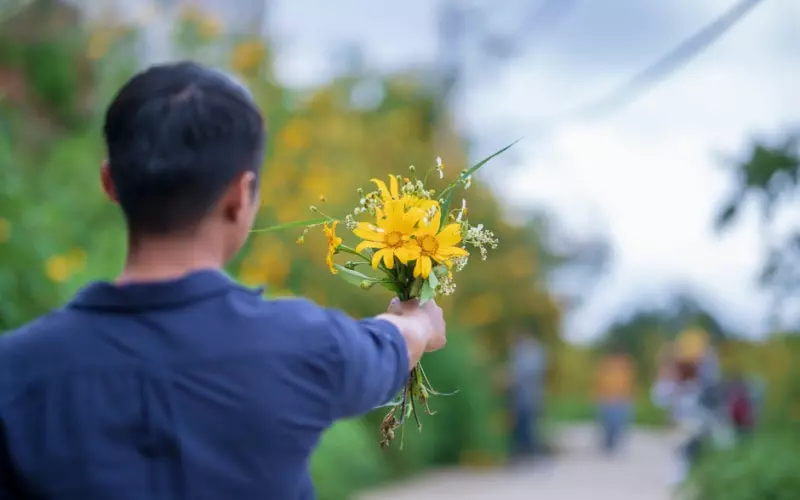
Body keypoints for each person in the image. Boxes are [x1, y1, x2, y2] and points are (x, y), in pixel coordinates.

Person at [0, 62, 447, 499]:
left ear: (110, 181)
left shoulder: (15, 369)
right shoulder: (304, 345)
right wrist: (419, 322)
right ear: (240, 196)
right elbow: (389, 346)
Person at [508, 331, 547, 461]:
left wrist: (510, 379)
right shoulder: (524, 352)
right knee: (522, 425)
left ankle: (529, 452)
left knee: (528, 425)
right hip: (522, 398)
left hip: (529, 397)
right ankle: (525, 451)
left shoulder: (531, 352)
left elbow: (525, 373)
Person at [594, 347, 634, 454]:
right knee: (608, 424)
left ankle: (612, 445)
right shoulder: (607, 366)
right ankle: (608, 444)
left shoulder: (625, 367)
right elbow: (600, 382)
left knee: (617, 425)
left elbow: (628, 384)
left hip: (619, 400)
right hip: (608, 399)